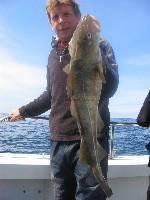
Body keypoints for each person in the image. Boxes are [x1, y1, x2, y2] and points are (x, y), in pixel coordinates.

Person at [10, 0, 119, 199]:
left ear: (77, 17)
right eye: (55, 17)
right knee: (62, 195)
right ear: (50, 23)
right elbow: (50, 96)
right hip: (58, 140)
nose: (61, 21)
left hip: (91, 137)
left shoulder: (99, 44)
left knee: (90, 196)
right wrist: (24, 111)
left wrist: (94, 48)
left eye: (66, 14)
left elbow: (111, 87)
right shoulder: (53, 55)